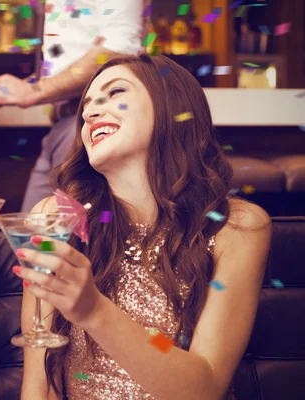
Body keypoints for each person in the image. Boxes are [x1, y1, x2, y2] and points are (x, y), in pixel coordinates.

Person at [14, 54, 271, 399]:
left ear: (172, 106)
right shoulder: (56, 216)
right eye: (87, 104)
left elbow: (204, 389)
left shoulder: (236, 227)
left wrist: (93, 310)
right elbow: (38, 387)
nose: (89, 112)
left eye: (115, 92)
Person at [0, 0, 148, 212]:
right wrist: (25, 86)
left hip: (91, 123)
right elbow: (69, 58)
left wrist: (35, 91)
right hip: (62, 124)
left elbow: (120, 47)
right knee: (31, 235)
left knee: (62, 238)